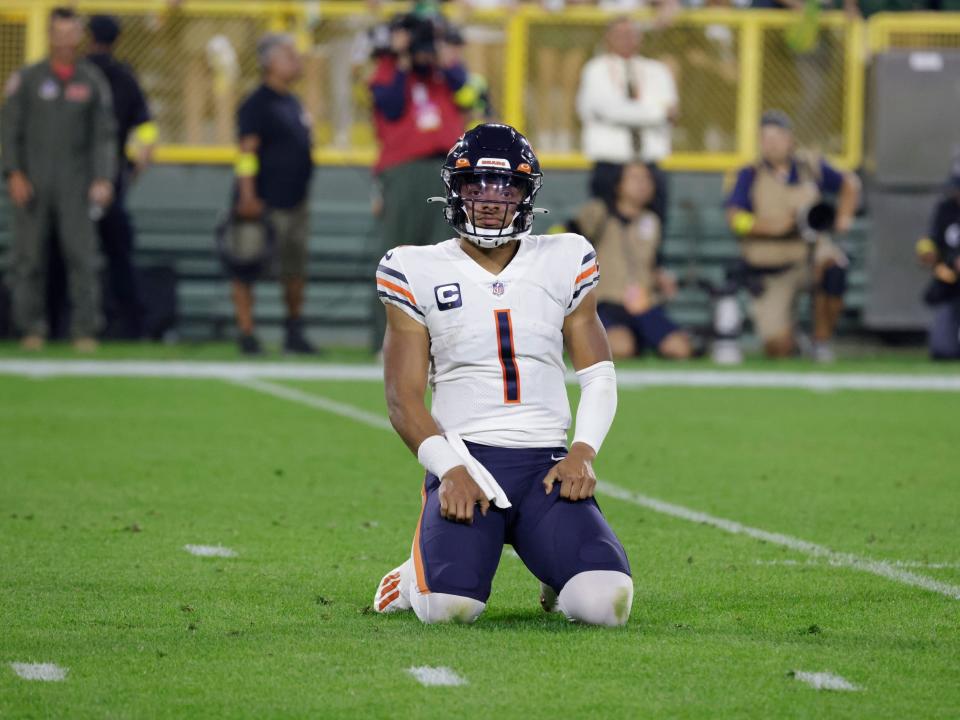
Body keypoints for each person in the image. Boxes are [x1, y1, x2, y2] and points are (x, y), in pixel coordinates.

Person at [371, 123, 633, 627]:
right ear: (455, 191)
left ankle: (556, 571)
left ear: (526, 194)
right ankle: (409, 579)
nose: (490, 200)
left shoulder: (564, 256)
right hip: (468, 461)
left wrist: (582, 452)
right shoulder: (414, 267)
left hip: (548, 466)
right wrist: (448, 470)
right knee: (451, 610)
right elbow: (402, 399)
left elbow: (598, 373)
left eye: (505, 187)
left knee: (608, 606)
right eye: (476, 186)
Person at [1, 6, 115, 352]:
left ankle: (85, 329)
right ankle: (30, 327)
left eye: (71, 33)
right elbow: (9, 130)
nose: (65, 40)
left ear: (80, 36)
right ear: (49, 36)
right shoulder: (28, 79)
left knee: (82, 256)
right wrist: (14, 172)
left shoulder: (91, 80)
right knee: (28, 258)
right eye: (59, 33)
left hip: (76, 183)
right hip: (33, 180)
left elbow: (104, 135)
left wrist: (103, 178)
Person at [725, 110, 860, 361]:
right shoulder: (749, 174)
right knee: (778, 348)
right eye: (765, 138)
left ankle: (821, 341)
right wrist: (773, 227)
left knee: (834, 266)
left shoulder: (810, 166)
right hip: (771, 267)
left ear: (791, 139)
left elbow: (850, 183)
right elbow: (735, 218)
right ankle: (796, 340)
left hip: (809, 254)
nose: (772, 143)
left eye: (777, 136)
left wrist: (844, 217)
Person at [368, 12, 467, 350]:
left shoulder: (443, 73)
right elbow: (391, 104)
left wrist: (439, 54)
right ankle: (389, 340)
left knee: (447, 256)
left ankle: (442, 340)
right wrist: (399, 57)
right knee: (399, 254)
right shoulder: (389, 69)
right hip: (405, 168)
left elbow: (466, 92)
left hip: (447, 167)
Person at [232, 34, 316, 356]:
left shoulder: (292, 102)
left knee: (294, 269)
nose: (296, 61)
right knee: (247, 264)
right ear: (269, 62)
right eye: (288, 55)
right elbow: (246, 152)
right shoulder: (256, 103)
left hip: (295, 201)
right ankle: (247, 333)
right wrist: (247, 194)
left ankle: (293, 330)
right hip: (263, 201)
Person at [567, 163, 691, 359]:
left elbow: (650, 262)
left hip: (644, 303)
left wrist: (660, 278)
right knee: (621, 347)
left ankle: (641, 339)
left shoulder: (652, 221)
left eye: (647, 179)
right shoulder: (599, 212)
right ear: (618, 185)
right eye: (634, 178)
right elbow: (569, 236)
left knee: (680, 348)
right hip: (608, 302)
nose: (642, 184)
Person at [87, 14, 156, 340]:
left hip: (78, 175)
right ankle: (133, 326)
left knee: (66, 253)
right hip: (113, 176)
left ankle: (62, 324)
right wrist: (134, 169)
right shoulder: (125, 77)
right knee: (119, 255)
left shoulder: (79, 74)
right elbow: (148, 129)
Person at [577, 17, 677, 228]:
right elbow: (606, 109)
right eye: (620, 35)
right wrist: (656, 112)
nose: (626, 40)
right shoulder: (595, 69)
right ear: (607, 38)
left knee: (653, 230)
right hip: (610, 163)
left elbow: (672, 109)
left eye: (631, 34)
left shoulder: (657, 70)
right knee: (605, 231)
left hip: (650, 161)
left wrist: (625, 110)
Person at [916, 157, 960, 360]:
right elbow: (931, 239)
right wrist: (928, 253)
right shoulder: (946, 209)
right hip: (951, 286)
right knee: (943, 351)